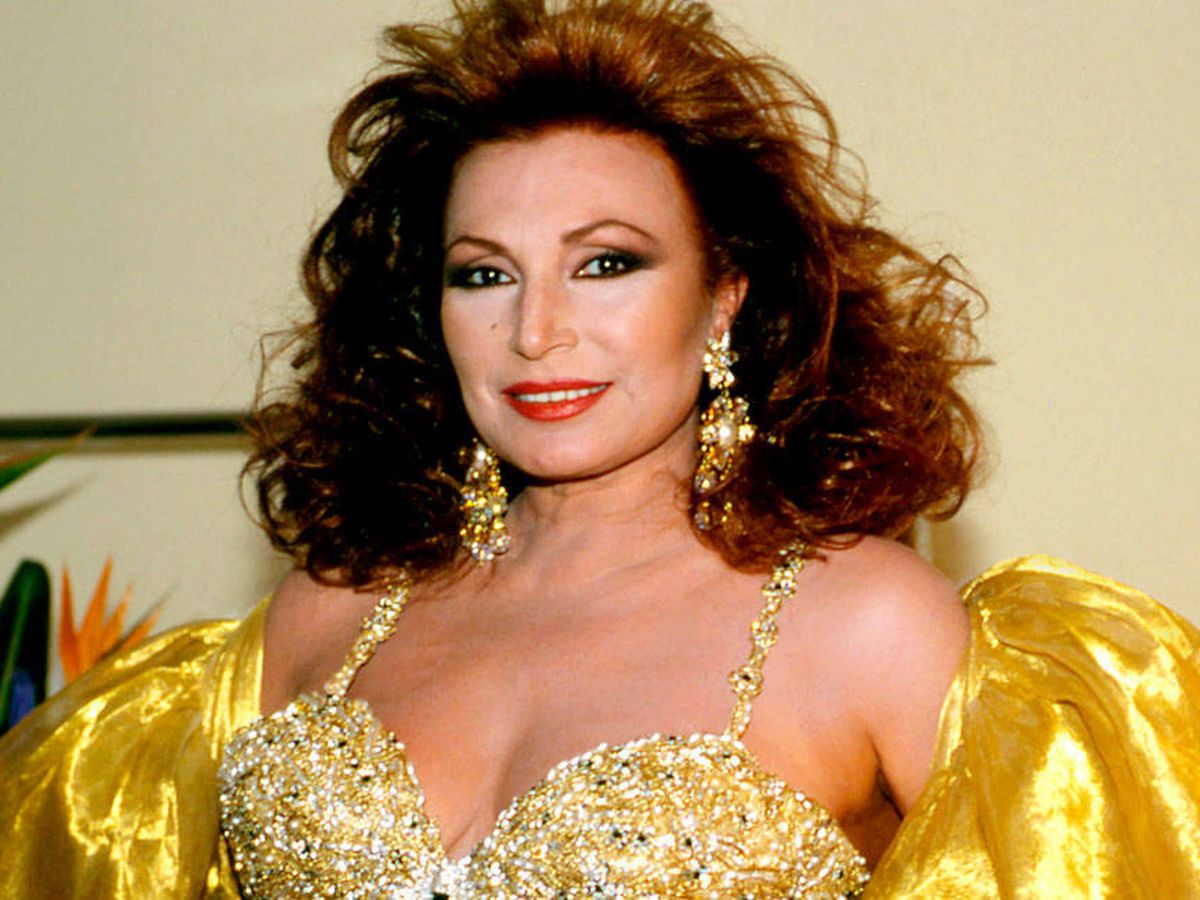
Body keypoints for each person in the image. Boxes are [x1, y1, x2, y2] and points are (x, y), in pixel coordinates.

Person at [2, 1, 1198, 897]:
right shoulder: (324, 614)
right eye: (484, 275)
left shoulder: (871, 627)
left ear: (724, 293)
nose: (536, 331)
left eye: (606, 263)